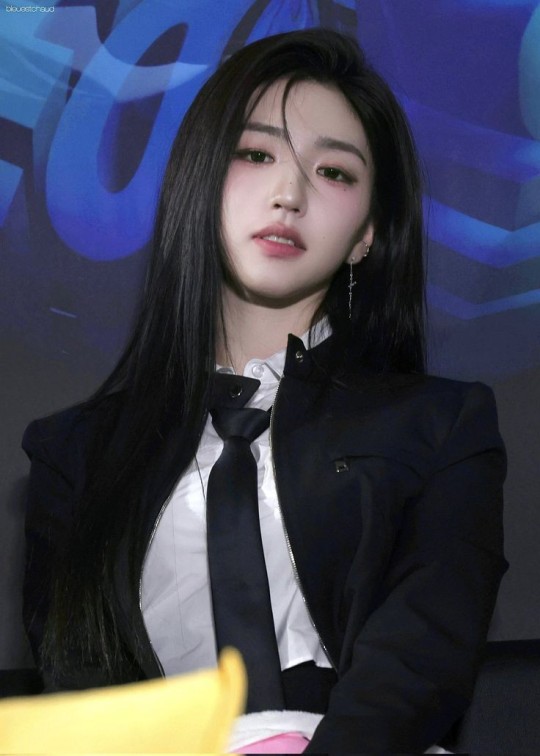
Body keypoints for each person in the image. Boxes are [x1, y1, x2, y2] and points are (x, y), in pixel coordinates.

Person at [22, 28, 507, 753]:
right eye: (255, 154)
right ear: (200, 179)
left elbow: (419, 660)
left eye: (334, 172)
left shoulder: (443, 427)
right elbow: (80, 689)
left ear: (368, 233)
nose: (289, 194)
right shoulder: (75, 453)